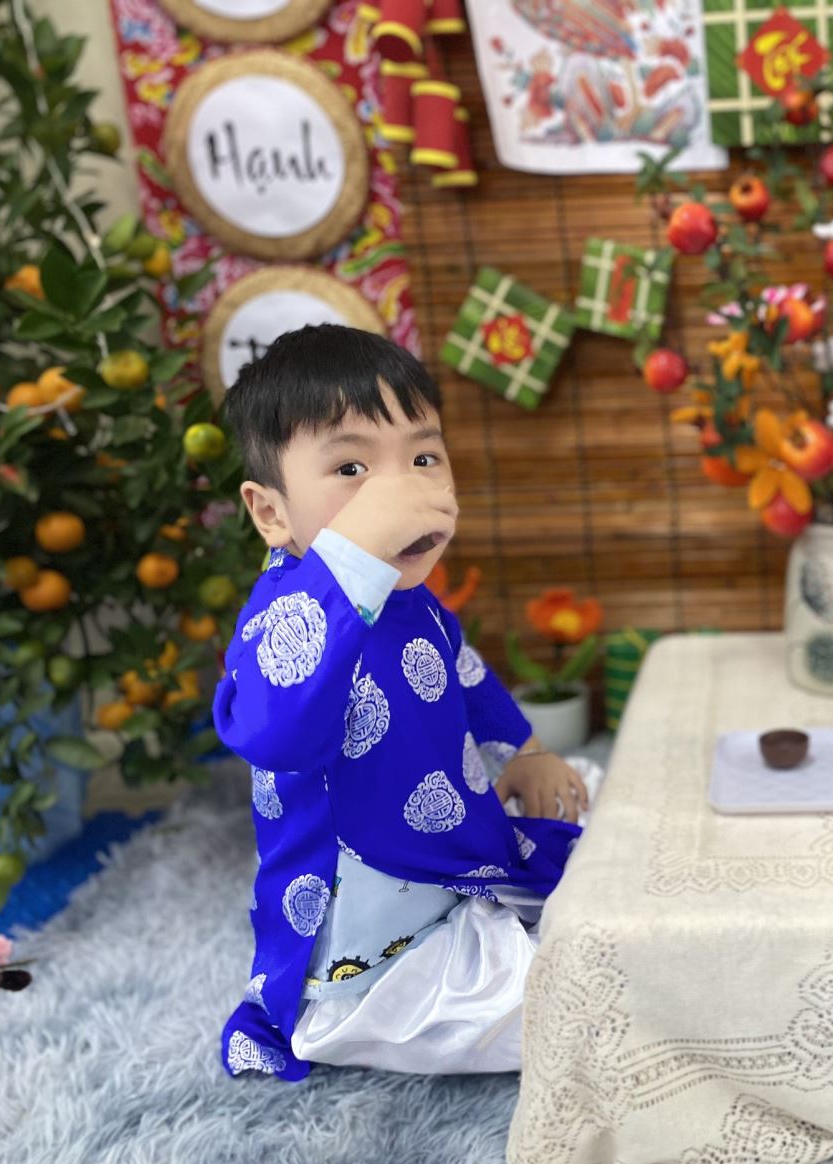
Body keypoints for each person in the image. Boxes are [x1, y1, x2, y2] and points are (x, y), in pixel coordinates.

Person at [215, 325, 588, 1080]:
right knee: (560, 1011)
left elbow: (465, 676)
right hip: (368, 940)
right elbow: (278, 732)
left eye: (423, 459)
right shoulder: (285, 622)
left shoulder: (413, 599)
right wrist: (351, 559)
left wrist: (527, 752)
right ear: (272, 514)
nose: (401, 494)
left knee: (597, 817)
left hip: (449, 852)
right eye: (352, 469)